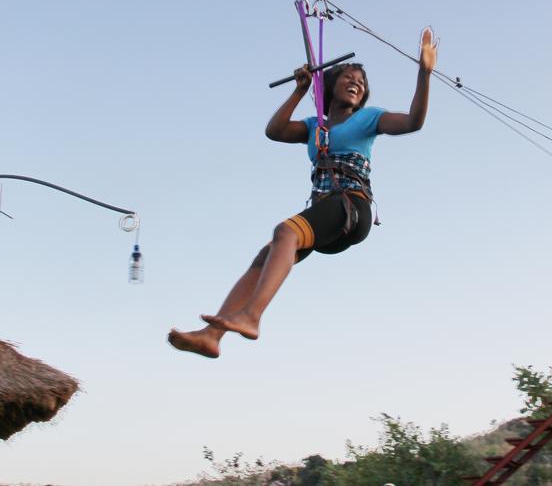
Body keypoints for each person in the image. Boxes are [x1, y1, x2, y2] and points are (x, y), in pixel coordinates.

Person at [168, 27, 438, 358]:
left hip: (350, 208)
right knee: (265, 257)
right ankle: (212, 335)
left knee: (285, 231)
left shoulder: (370, 118)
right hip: (326, 213)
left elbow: (413, 122)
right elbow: (275, 131)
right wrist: (300, 90)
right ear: (332, 83)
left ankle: (251, 316)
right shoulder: (315, 126)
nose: (357, 83)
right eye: (349, 77)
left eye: (362, 82)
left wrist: (424, 74)